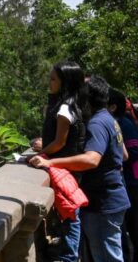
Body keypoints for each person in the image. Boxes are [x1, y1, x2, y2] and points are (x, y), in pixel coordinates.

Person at [31, 76, 131, 262]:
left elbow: (92, 160)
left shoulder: (97, 123)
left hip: (103, 203)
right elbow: (123, 155)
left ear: (86, 97)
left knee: (106, 257)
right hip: (114, 197)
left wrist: (51, 163)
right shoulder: (109, 119)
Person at [31, 62, 88, 262]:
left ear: (65, 83)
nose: (49, 82)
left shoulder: (64, 108)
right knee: (69, 213)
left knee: (70, 214)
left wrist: (42, 154)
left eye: (53, 79)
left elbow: (59, 142)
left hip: (64, 168)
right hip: (68, 167)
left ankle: (69, 257)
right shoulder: (74, 104)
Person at [109, 89, 138, 262]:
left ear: (112, 106)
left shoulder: (125, 124)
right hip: (126, 182)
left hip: (134, 181)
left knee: (137, 226)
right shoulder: (115, 122)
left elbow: (135, 150)